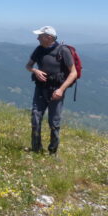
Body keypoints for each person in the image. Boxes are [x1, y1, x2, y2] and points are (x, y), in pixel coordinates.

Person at [25, 26, 77, 155]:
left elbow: (73, 73)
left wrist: (61, 90)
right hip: (40, 89)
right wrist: (35, 70)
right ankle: (36, 149)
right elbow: (28, 65)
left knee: (54, 121)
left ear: (49, 37)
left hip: (56, 91)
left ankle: (53, 152)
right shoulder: (39, 49)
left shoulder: (63, 51)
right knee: (35, 117)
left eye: (40, 36)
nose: (37, 38)